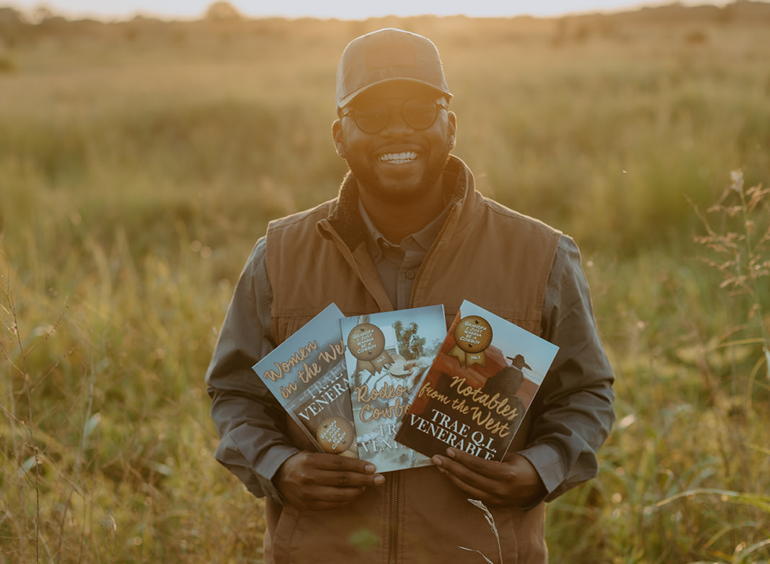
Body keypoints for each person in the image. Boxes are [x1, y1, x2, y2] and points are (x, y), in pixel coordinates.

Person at [206, 27, 614, 564]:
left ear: (451, 126)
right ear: (338, 135)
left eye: (421, 109)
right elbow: (234, 392)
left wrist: (538, 470)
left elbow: (586, 394)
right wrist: (278, 467)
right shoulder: (280, 256)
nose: (397, 130)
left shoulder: (539, 254)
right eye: (370, 115)